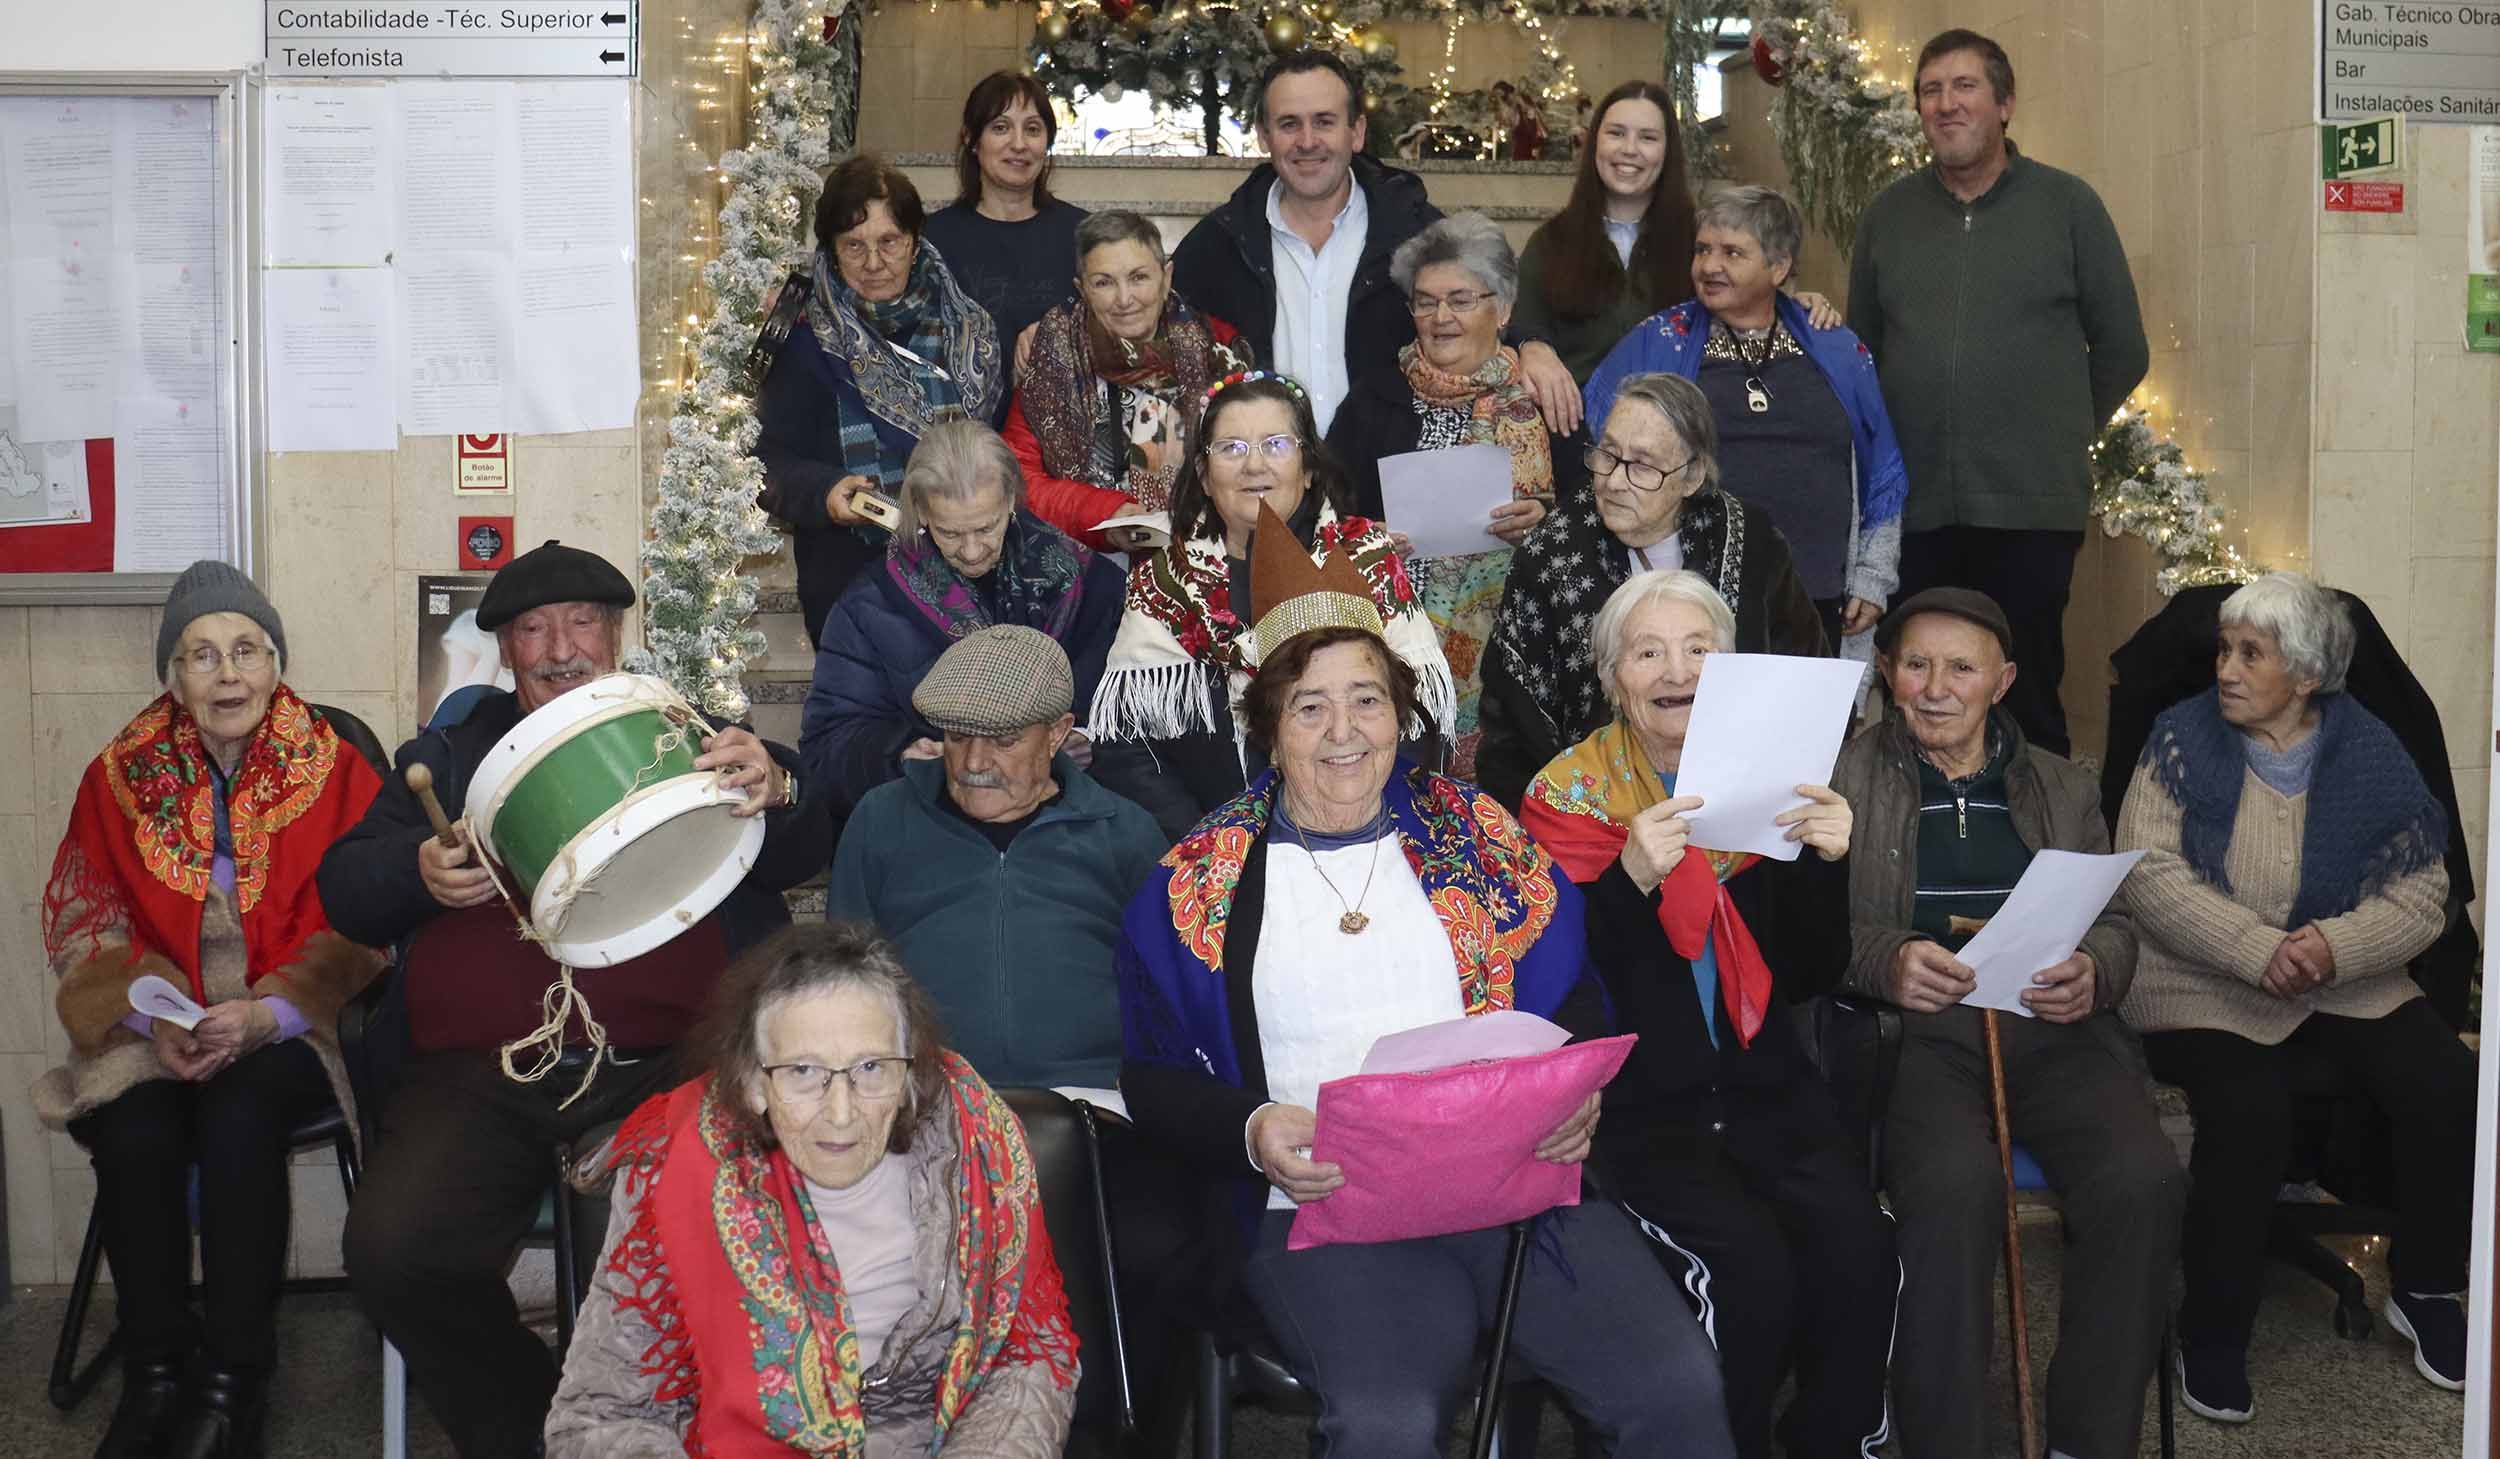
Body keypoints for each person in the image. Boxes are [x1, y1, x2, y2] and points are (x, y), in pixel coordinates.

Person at [1114, 531, 1737, 1459]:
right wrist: (1251, 1129)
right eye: (1310, 705)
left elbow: (1575, 991)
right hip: (1322, 1213)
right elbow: (1152, 1075)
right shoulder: (1200, 877)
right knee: (1387, 1422)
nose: (1343, 731)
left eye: (1367, 700)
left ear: (1400, 713)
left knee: (1676, 1386)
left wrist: (1575, 1089)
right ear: (1270, 726)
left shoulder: (1474, 832)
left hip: (1517, 1189)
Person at [318, 541, 833, 1459]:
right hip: (485, 1075)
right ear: (506, 650)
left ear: (618, 633)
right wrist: (417, 869)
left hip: (673, 1066)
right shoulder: (449, 752)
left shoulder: (679, 728)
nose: (560, 646)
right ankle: (546, 1429)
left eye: (581, 621)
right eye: (532, 628)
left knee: (729, 1231)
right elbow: (346, 886)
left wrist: (779, 782)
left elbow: (800, 847)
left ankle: (699, 1428)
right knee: (395, 1251)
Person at [1518, 569, 1892, 1459]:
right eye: (1647, 652)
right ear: (1614, 678)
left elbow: (1807, 973)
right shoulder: (1562, 803)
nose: (1673, 668)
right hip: (1644, 1116)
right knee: (1751, 1276)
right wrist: (1628, 886)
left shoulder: (1768, 787)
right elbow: (1555, 999)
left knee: (1862, 1255)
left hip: (1765, 1094)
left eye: (1696, 649)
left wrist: (1821, 863)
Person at [35, 562, 384, 1459]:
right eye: (201, 655)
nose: (227, 674)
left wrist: (271, 1013)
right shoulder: (117, 773)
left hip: (286, 1014)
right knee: (134, 1123)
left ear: (275, 663)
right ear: (172, 678)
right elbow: (83, 914)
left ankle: (233, 1381)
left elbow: (372, 916)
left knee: (238, 1112)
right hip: (161, 1015)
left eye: (245, 651)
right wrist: (153, 1016)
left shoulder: (338, 764)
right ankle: (155, 1372)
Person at [1831, 587, 2181, 1459]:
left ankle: (2088, 1441)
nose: (1936, 687)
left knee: (2141, 1180)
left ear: (2003, 680)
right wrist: (1885, 958)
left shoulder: (2063, 782)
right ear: (1886, 672)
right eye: (1916, 664)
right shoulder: (1839, 777)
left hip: (2053, 1021)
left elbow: (2118, 920)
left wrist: (2096, 971)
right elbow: (1801, 926)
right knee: (1953, 1190)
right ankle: (1948, 1442)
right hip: (1918, 1031)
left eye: (1962, 668)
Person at [2116, 571, 2472, 1419]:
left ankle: (2423, 1287)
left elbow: (2425, 892)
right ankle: (2212, 1329)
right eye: (2225, 650)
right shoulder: (2176, 738)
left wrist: (2332, 946)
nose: (2226, 670)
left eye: (2251, 654)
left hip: (2341, 979)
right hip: (2197, 977)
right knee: (2249, 1108)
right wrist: (2256, 947)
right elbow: (2148, 877)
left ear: (2306, 676)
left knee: (2450, 1087)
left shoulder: (2371, 750)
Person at [546, 922, 1078, 1457]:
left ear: (911, 1075)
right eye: (803, 1071)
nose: (841, 1115)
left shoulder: (977, 1145)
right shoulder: (673, 1170)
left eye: (871, 1068)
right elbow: (602, 1414)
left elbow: (1025, 1355)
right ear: (754, 1083)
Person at [1846, 29, 2147, 757]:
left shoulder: (2069, 207)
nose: (1945, 104)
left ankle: (2036, 858)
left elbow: (2124, 349)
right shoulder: (1888, 217)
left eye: (1965, 87)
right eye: (1930, 90)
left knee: (2027, 689)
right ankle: (1915, 851)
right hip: (1913, 513)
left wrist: (2054, 430)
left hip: (2030, 510)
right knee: (1918, 694)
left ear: (2005, 104)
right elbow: (1862, 359)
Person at [1085, 372, 1454, 842]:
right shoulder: (1163, 580)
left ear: (1307, 467)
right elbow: (1126, 748)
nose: (1254, 466)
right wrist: (1211, 841)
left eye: (1276, 445)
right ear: (1203, 473)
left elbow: (1419, 719)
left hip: (1370, 834)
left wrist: (1363, 827)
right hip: (1210, 845)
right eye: (1232, 449)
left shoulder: (1366, 561)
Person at [1171, 49, 1582, 437]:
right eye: (1289, 124)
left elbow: (1481, 305)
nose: (1308, 140)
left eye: (1325, 121)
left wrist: (1532, 345)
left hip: (1386, 486)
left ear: (1357, 133)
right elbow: (1163, 343)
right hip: (1266, 483)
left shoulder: (1417, 231)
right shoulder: (1218, 244)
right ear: (1264, 136)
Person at [826, 625, 1165, 1090]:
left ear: (1056, 734)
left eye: (1003, 741)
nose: (974, 763)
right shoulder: (882, 819)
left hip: (1090, 1099)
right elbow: (843, 977)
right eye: (960, 737)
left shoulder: (1123, 831)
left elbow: (1165, 994)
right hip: (925, 1096)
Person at [1475, 371, 1823, 812]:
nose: (1614, 481)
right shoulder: (1551, 553)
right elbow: (1509, 718)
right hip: (1592, 814)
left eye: (1642, 465)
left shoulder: (1748, 540)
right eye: (1608, 455)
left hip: (1738, 801)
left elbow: (1805, 673)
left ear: (1692, 475)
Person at [1584, 184, 1903, 655]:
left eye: (1732, 252)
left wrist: (1873, 578)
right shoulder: (1657, 343)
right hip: (1691, 600)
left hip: (1816, 595)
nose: (1710, 266)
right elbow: (1604, 451)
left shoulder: (1836, 348)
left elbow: (1882, 467)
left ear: (1779, 267)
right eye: (1703, 250)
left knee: (1809, 728)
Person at [1325, 212, 1582, 774]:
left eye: (1462, 300)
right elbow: (1324, 512)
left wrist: (1543, 517)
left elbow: (1594, 513)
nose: (1441, 318)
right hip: (1392, 652)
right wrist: (1367, 541)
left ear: (1505, 310)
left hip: (1520, 662)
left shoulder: (1545, 398)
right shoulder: (1376, 399)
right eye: (1425, 301)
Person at [800, 419, 1125, 816]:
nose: (972, 551)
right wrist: (899, 756)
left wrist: (1086, 742)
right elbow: (827, 747)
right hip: (936, 822)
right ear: (919, 511)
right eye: (950, 533)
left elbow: (1138, 716)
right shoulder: (870, 606)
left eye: (986, 528)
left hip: (1067, 816)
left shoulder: (1090, 583)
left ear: (1011, 500)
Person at [755, 154, 1006, 647]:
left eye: (889, 242)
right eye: (854, 246)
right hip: (851, 574)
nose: (873, 264)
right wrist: (827, 491)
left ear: (916, 242)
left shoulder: (972, 330)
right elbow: (766, 463)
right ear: (830, 249)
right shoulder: (803, 336)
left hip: (972, 565)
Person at [1001, 208, 1255, 552]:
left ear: (1166, 278)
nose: (1124, 300)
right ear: (1082, 289)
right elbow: (1017, 479)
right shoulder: (1053, 358)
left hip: (1206, 555)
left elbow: (1254, 465)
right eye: (1104, 282)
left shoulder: (1219, 353)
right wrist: (1103, 514)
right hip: (1083, 559)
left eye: (1139, 278)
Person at [920, 69, 1090, 414]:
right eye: (1000, 128)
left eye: (1032, 129)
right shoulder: (932, 239)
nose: (1019, 144)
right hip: (961, 438)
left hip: (1066, 433)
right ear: (971, 139)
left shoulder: (1083, 234)